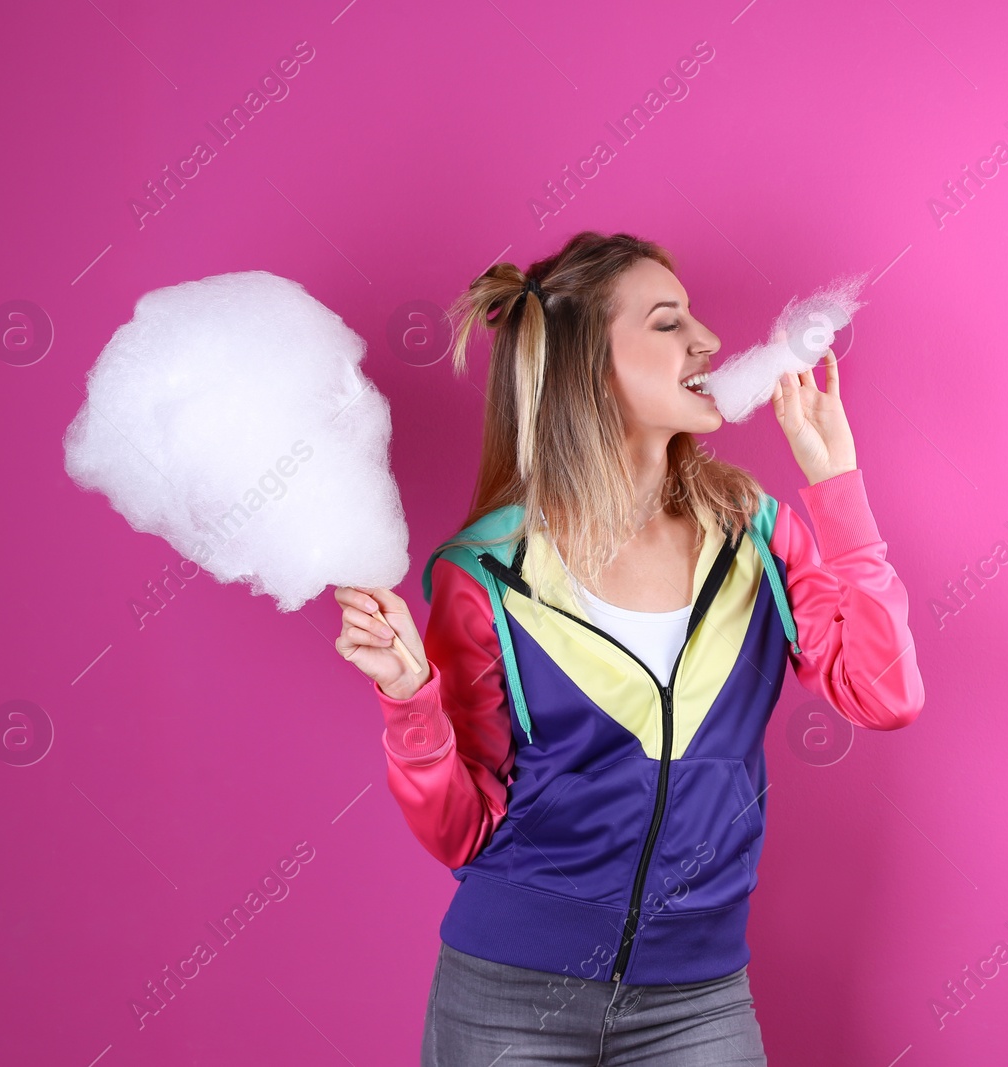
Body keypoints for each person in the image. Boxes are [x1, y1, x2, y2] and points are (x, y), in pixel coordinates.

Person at [334, 231, 925, 1066]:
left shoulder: (756, 534)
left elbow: (885, 694)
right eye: (667, 322)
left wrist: (839, 494)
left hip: (700, 999)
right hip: (509, 997)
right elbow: (463, 832)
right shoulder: (488, 574)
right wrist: (409, 697)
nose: (710, 342)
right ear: (589, 369)